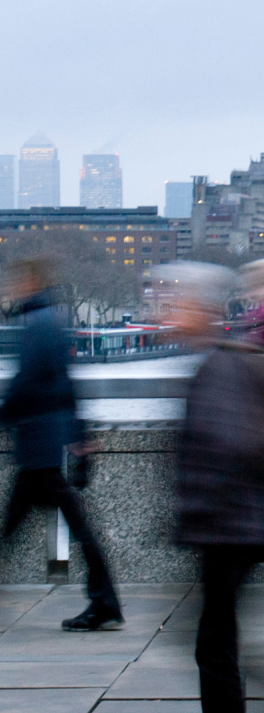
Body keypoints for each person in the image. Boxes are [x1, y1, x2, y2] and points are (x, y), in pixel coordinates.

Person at [166, 262, 264, 713]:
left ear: (201, 310)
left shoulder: (219, 366)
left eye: (178, 305)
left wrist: (198, 507)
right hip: (231, 521)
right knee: (215, 638)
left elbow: (235, 443)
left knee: (212, 643)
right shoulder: (222, 359)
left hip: (229, 523)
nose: (170, 314)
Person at [0, 256, 123, 631]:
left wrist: (4, 416)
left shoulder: (37, 323)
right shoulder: (54, 320)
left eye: (17, 281)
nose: (11, 288)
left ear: (30, 282)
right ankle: (104, 601)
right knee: (67, 526)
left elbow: (27, 382)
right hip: (49, 442)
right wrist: (78, 436)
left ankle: (105, 601)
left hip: (39, 445)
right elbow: (64, 384)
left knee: (16, 528)